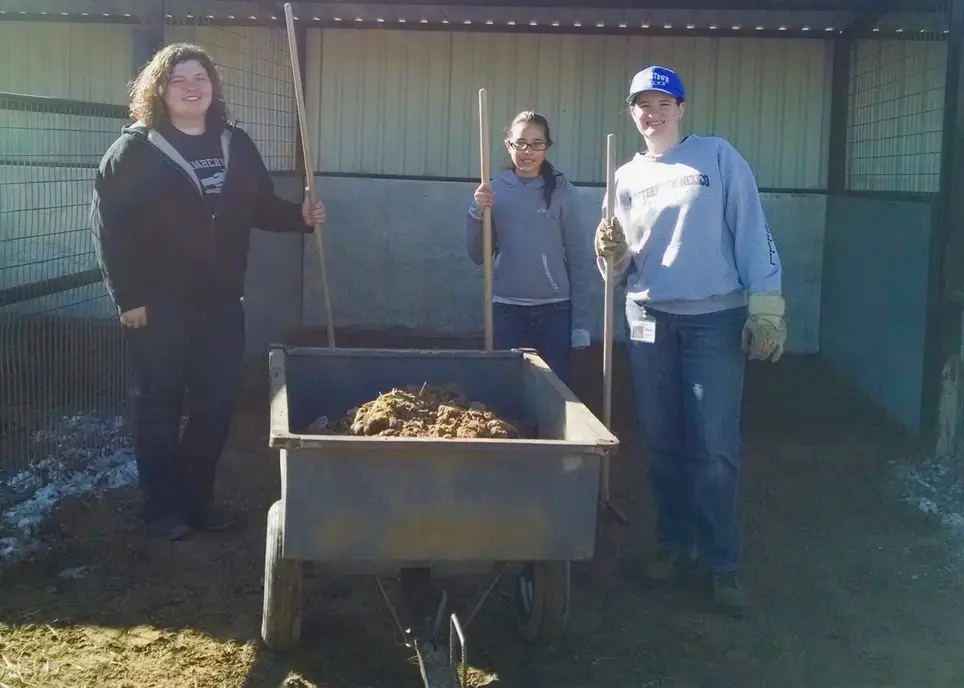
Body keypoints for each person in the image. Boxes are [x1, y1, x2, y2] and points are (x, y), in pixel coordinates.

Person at [89, 42, 326, 541]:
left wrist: (299, 218)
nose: (192, 87)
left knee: (215, 404)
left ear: (213, 86)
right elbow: (110, 229)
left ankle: (197, 502)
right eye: (179, 79)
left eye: (200, 77)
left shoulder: (234, 143)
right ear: (159, 89)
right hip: (158, 306)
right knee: (160, 402)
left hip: (220, 303)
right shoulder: (134, 150)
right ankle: (161, 510)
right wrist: (128, 297)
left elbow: (259, 205)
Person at [593, 66, 786, 616]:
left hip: (713, 320)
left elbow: (753, 230)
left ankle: (721, 564)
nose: (651, 113)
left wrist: (766, 305)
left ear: (681, 108)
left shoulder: (717, 158)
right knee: (661, 441)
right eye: (641, 104)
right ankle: (674, 547)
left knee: (714, 447)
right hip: (649, 316)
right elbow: (619, 268)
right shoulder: (623, 177)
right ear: (632, 113)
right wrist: (610, 254)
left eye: (662, 102)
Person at [466, 111, 594, 386]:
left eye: (537, 144)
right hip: (506, 309)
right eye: (520, 143)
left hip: (555, 311)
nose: (528, 151)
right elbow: (478, 256)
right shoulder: (493, 192)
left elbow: (579, 260)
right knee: (507, 387)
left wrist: (581, 325)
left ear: (547, 147)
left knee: (555, 391)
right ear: (508, 145)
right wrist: (477, 213)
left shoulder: (563, 192)